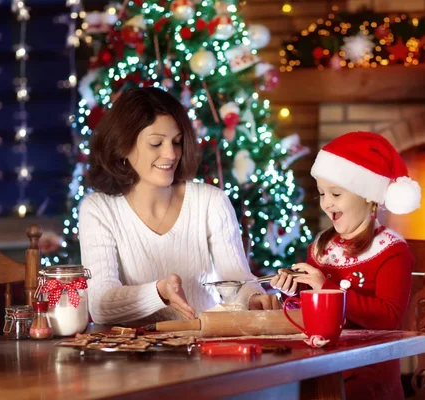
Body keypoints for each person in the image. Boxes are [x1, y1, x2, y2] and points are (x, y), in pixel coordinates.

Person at [79, 87, 280, 325]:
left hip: (205, 351)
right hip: (133, 356)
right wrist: (160, 292)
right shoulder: (98, 210)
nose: (171, 154)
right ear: (123, 147)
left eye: (176, 142)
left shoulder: (210, 201)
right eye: (156, 143)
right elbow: (101, 305)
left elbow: (238, 281)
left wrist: (254, 298)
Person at [270, 131, 421, 400]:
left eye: (336, 194)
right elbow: (310, 315)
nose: (327, 203)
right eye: (322, 194)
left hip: (366, 378)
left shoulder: (391, 251)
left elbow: (389, 318)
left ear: (367, 195)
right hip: (320, 369)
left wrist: (324, 287)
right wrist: (293, 290)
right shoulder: (321, 247)